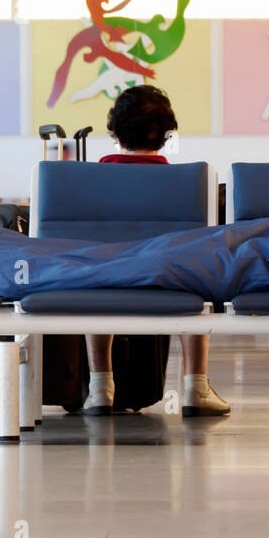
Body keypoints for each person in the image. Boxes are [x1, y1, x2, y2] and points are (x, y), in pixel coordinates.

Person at [85, 85, 229, 418]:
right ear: (166, 135)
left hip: (107, 281)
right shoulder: (189, 180)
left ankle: (100, 388)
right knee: (197, 280)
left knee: (95, 274)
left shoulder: (92, 178)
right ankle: (196, 388)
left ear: (115, 131)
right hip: (170, 282)